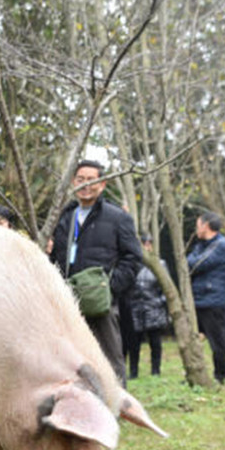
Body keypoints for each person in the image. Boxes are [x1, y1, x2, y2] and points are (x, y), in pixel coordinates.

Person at [49, 160, 142, 386]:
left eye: (92, 180)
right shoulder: (64, 217)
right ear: (73, 182)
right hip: (68, 298)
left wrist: (109, 288)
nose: (86, 185)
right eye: (80, 180)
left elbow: (133, 258)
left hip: (101, 300)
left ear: (102, 184)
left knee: (109, 356)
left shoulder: (117, 217)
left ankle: (117, 405)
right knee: (72, 357)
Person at [187, 211, 225, 384]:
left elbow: (196, 264)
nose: (196, 229)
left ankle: (222, 376)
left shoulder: (221, 245)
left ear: (206, 226)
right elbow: (188, 261)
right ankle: (195, 375)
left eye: (198, 225)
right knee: (193, 340)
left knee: (217, 341)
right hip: (198, 298)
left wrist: (192, 261)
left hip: (212, 300)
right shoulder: (201, 245)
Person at [127, 233, 169, 378]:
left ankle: (156, 371)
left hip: (154, 307)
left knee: (155, 342)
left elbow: (167, 288)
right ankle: (133, 372)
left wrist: (160, 302)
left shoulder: (160, 264)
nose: (147, 247)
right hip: (135, 308)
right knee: (134, 343)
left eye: (149, 244)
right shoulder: (132, 264)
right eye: (144, 244)